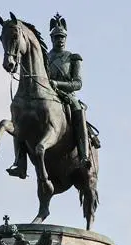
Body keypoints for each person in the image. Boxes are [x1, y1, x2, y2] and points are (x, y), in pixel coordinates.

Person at [46, 13, 94, 168]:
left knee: (79, 112)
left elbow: (78, 83)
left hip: (67, 95)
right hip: (48, 94)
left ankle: (84, 155)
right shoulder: (45, 58)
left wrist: (57, 83)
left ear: (65, 39)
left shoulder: (73, 57)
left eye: (62, 37)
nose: (59, 40)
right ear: (51, 39)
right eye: (56, 37)